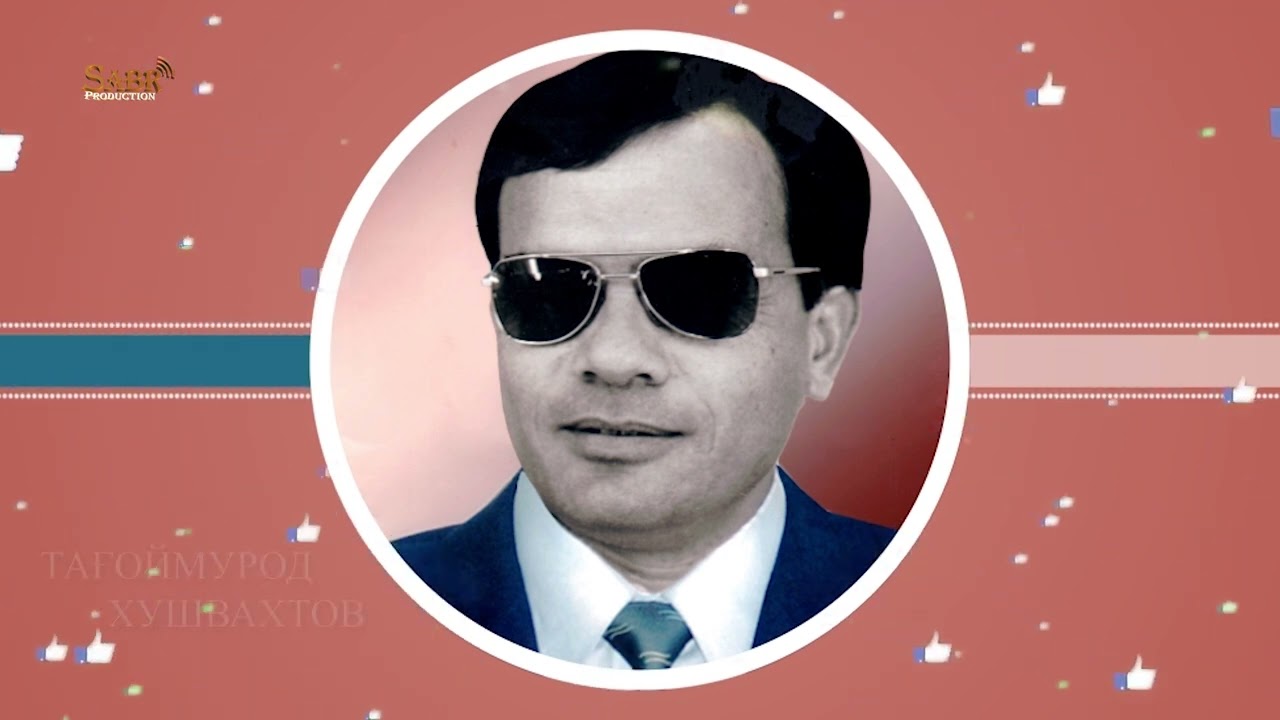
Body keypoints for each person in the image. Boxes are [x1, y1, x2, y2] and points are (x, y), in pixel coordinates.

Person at [393, 50, 894, 670]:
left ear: (823, 341)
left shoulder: (937, 609)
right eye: (550, 289)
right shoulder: (367, 605)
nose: (613, 357)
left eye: (699, 290)